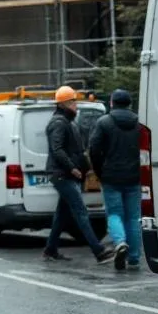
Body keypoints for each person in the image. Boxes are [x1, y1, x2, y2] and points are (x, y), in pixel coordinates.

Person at [43, 85, 117, 264]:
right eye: (73, 101)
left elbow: (74, 149)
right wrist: (72, 168)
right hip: (63, 175)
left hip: (66, 174)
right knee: (80, 212)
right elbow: (57, 149)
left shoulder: (66, 122)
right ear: (65, 104)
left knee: (62, 215)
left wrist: (84, 166)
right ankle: (99, 251)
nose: (76, 105)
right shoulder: (59, 123)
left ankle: (50, 250)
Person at [89, 88, 143, 270]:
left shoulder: (104, 122)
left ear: (111, 103)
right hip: (134, 176)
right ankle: (134, 257)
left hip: (111, 176)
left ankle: (120, 242)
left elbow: (94, 150)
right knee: (134, 217)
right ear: (130, 104)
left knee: (114, 214)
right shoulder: (139, 123)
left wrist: (99, 172)